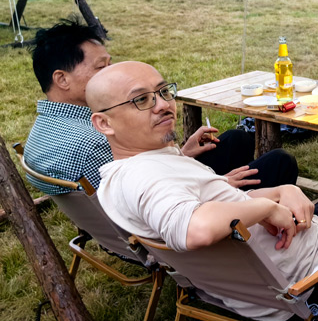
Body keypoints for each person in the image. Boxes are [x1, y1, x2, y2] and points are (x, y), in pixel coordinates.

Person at [89, 61, 318, 321]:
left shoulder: (136, 168)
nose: (162, 105)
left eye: (163, 92)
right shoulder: (144, 177)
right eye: (141, 100)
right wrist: (267, 208)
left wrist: (281, 191)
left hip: (285, 250)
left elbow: (218, 205)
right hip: (309, 276)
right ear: (104, 123)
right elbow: (195, 228)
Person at [22, 18, 297, 196]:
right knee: (279, 161)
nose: (111, 72)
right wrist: (218, 185)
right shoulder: (95, 142)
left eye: (110, 64)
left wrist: (182, 154)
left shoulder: (46, 128)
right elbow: (148, 203)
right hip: (173, 221)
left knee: (236, 138)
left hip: (148, 196)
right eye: (101, 67)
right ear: (62, 79)